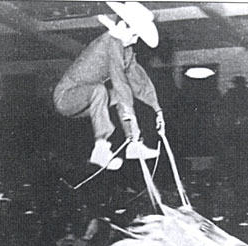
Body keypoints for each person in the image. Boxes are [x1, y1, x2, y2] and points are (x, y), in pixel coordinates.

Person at [53, 2, 165, 169]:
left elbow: (139, 81)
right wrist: (130, 115)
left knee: (113, 94)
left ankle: (133, 144)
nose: (135, 40)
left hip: (88, 103)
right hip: (65, 98)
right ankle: (100, 148)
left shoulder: (126, 50)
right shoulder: (111, 41)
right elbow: (119, 79)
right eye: (134, 34)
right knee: (101, 90)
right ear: (122, 26)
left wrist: (157, 109)